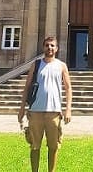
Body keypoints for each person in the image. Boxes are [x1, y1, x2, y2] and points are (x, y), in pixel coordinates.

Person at [18, 36, 72, 172]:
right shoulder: (36, 65)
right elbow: (27, 86)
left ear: (57, 49)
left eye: (52, 45)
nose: (50, 48)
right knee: (35, 146)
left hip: (54, 112)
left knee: (53, 146)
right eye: (47, 45)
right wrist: (21, 109)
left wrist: (68, 110)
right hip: (35, 111)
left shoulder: (61, 66)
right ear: (43, 48)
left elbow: (68, 88)